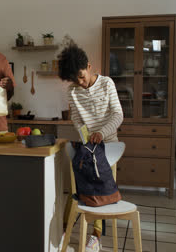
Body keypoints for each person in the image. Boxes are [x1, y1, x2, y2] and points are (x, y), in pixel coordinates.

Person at [58, 44, 123, 252]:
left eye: (81, 76)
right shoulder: (73, 91)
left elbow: (118, 115)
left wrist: (101, 134)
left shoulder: (106, 84)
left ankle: (95, 236)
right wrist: (88, 139)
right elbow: (77, 120)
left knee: (99, 190)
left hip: (109, 145)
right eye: (74, 79)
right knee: (78, 189)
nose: (80, 82)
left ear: (89, 66)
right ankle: (63, 230)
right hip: (89, 146)